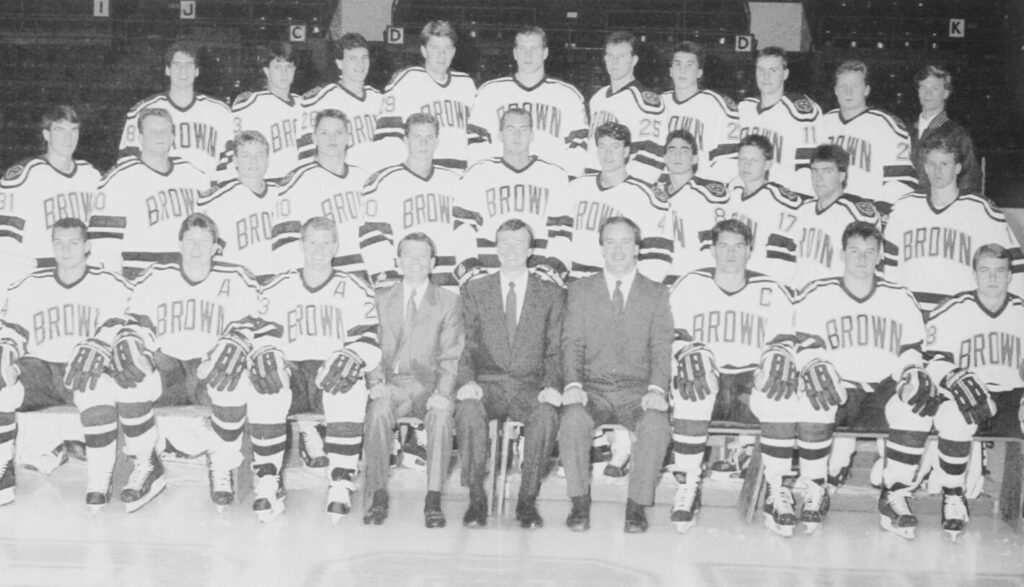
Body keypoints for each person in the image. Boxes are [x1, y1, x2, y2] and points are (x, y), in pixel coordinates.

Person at [108, 213, 270, 513]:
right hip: (166, 366)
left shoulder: (236, 278)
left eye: (204, 241)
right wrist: (134, 344)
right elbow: (133, 321)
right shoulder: (156, 276)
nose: (196, 248)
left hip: (208, 368)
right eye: (190, 240)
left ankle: (221, 463)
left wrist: (229, 347)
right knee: (129, 379)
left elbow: (250, 323)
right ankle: (146, 463)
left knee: (233, 379)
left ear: (215, 247)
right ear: (180, 243)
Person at [794, 221, 933, 539]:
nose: (862, 258)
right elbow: (804, 346)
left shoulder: (899, 296)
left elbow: (912, 351)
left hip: (882, 390)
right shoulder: (819, 293)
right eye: (854, 251)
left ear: (881, 255)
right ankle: (815, 488)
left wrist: (912, 372)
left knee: (916, 404)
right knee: (812, 397)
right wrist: (814, 363)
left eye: (870, 252)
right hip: (839, 386)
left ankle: (895, 493)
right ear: (841, 253)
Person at [667, 219, 797, 535]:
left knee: (781, 393)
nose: (731, 253)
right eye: (723, 245)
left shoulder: (771, 290)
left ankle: (777, 490)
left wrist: (775, 358)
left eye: (739, 246)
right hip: (708, 378)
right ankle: (688, 487)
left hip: (748, 384)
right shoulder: (690, 285)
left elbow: (785, 342)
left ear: (749, 250)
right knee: (692, 383)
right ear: (712, 249)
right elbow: (670, 335)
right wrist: (686, 351)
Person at [254, 217, 382, 522]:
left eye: (326, 242)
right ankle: (268, 479)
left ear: (336, 246)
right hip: (294, 371)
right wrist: (268, 353)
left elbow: (369, 342)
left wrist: (352, 355)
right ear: (301, 244)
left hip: (330, 371)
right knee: (266, 383)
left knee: (348, 383)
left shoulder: (354, 287)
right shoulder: (280, 285)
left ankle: (340, 480)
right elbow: (262, 335)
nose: (319, 249)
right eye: (313, 241)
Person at [0, 218, 131, 510]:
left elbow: (121, 324)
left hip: (85, 370)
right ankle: (2, 473)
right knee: (3, 386)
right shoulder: (29, 284)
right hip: (42, 370)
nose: (65, 249)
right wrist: (6, 353)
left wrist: (102, 344)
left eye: (73, 242)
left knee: (98, 391)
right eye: (58, 242)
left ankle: (99, 479)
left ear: (87, 246)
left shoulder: (110, 284)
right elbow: (13, 332)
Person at [558, 216, 673, 534]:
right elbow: (572, 343)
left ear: (637, 248)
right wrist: (572, 384)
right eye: (610, 242)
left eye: (625, 242)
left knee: (655, 424)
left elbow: (661, 347)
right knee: (572, 420)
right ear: (601, 248)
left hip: (636, 390)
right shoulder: (580, 290)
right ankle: (579, 501)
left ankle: (636, 506)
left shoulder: (656, 293)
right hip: (593, 388)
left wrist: (657, 389)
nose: (618, 249)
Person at [455, 219, 565, 528]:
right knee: (466, 410)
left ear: (531, 250)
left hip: (529, 386)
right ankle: (476, 499)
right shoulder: (476, 290)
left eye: (519, 243)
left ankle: (527, 501)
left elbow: (555, 347)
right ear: (495, 248)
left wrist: (552, 385)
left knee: (546, 413)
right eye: (505, 243)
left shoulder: (551, 293)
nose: (512, 249)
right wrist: (467, 382)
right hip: (488, 385)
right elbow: (466, 344)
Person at [361, 232, 464, 528]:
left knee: (442, 417)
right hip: (393, 384)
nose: (415, 261)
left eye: (422, 256)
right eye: (408, 255)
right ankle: (378, 496)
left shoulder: (448, 301)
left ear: (432, 263)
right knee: (378, 411)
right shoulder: (381, 299)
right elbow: (369, 344)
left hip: (430, 385)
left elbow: (451, 354)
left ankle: (433, 498)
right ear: (397, 261)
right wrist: (374, 380)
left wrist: (444, 392)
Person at [925, 243, 1021, 540]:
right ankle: (953, 495)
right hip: (967, 392)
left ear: (1009, 277)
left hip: (1012, 395)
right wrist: (954, 378)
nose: (992, 278)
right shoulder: (952, 310)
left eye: (999, 272)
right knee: (953, 417)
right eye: (985, 271)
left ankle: (1015, 502)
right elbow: (933, 360)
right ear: (974, 274)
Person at [883, 136, 1024, 313]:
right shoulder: (904, 207)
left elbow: (1015, 267)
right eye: (932, 164)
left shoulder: (981, 210)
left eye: (944, 164)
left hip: (960, 314)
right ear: (925, 167)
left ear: (957, 168)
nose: (937, 170)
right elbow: (889, 266)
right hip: (911, 313)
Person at [453, 107, 573, 286]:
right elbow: (463, 231)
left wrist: (547, 276)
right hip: (488, 275)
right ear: (500, 134)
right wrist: (475, 275)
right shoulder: (478, 173)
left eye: (523, 129)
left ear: (532, 135)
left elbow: (562, 235)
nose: (517, 136)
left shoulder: (554, 175)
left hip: (538, 277)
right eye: (510, 129)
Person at [89, 108, 210, 280]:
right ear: (140, 138)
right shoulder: (118, 180)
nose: (159, 136)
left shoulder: (195, 177)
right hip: (142, 275)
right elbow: (104, 248)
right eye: (153, 131)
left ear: (173, 137)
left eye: (165, 131)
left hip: (188, 273)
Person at [359, 113, 471, 292]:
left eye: (429, 137)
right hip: (405, 282)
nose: (423, 143)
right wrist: (388, 279)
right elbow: (373, 237)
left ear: (437, 141)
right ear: (405, 140)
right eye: (417, 137)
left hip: (450, 282)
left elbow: (464, 234)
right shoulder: (383, 182)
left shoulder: (455, 180)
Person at [0, 105, 103, 285]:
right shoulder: (25, 176)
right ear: (46, 134)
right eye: (59, 130)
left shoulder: (92, 175)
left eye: (73, 130)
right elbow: (6, 244)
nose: (68, 137)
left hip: (83, 276)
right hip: (40, 276)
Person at [467, 25, 589, 177]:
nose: (528, 55)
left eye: (534, 49)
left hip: (549, 184)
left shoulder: (567, 95)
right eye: (522, 49)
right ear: (515, 53)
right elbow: (476, 143)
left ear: (545, 52)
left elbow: (578, 149)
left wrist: (566, 183)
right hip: (501, 182)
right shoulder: (490, 91)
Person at [566, 122, 672, 284]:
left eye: (615, 147)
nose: (608, 153)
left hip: (616, 284)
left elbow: (658, 257)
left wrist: (634, 293)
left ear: (626, 151)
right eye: (602, 146)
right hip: (572, 283)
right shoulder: (575, 188)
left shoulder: (645, 196)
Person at [275, 109, 370, 281]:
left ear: (348, 138)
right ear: (314, 138)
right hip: (323, 275)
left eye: (338, 133)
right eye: (324, 133)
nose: (332, 139)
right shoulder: (298, 181)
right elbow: (285, 242)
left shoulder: (363, 178)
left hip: (365, 272)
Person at [118, 41, 232, 182]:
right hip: (162, 193)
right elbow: (127, 160)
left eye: (189, 65)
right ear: (167, 70)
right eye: (177, 65)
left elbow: (233, 161)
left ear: (197, 71)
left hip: (207, 194)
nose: (183, 70)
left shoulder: (220, 111)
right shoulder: (143, 110)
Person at [374, 20, 479, 172]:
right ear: (424, 51)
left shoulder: (466, 84)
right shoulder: (407, 80)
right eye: (435, 47)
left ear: (454, 51)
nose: (441, 55)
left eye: (447, 48)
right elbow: (388, 137)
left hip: (460, 174)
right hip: (421, 173)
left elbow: (476, 140)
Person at [824, 60, 916, 217]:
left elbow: (902, 180)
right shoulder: (823, 122)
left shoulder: (887, 125)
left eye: (855, 86)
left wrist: (879, 213)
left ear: (866, 90)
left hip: (866, 211)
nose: (848, 91)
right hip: (827, 209)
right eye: (843, 86)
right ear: (835, 90)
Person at [198, 130, 290, 283]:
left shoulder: (283, 194)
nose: (253, 162)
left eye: (259, 155)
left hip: (278, 282)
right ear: (235, 160)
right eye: (246, 156)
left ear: (267, 160)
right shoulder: (218, 200)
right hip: (238, 283)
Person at [738, 46, 824, 195]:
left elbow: (809, 168)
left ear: (785, 74)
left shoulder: (800, 111)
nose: (766, 77)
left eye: (773, 71)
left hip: (784, 197)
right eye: (761, 70)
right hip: (748, 195)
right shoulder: (744, 108)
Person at [793, 144, 881, 289]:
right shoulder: (803, 210)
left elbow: (871, 266)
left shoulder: (855, 212)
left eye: (826, 171)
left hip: (841, 299)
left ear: (841, 176)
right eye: (814, 171)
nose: (818, 178)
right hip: (804, 298)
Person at [585, 32, 665, 186]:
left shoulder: (645, 101)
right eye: (610, 55)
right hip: (594, 184)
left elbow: (652, 157)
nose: (614, 61)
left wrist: (628, 190)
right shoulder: (598, 97)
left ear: (634, 60)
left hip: (624, 188)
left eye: (621, 56)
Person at [725, 134, 804, 285]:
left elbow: (782, 265)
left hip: (760, 284)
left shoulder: (780, 202)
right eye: (742, 159)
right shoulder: (731, 195)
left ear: (768, 164)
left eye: (754, 160)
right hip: (731, 280)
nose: (746, 165)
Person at [224, 42, 309, 182]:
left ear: (295, 70)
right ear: (266, 71)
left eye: (289, 66)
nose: (284, 72)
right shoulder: (251, 105)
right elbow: (233, 154)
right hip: (266, 184)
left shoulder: (305, 105)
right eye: (277, 67)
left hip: (300, 186)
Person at [300, 33, 382, 171]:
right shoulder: (321, 101)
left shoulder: (380, 99)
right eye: (352, 58)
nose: (360, 64)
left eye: (364, 58)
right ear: (339, 63)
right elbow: (307, 155)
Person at [662, 41, 739, 184]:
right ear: (670, 70)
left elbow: (729, 162)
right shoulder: (660, 103)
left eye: (689, 65)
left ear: (699, 72)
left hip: (702, 188)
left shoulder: (717, 105)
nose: (682, 70)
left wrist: (704, 189)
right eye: (677, 64)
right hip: (664, 186)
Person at [660, 129, 730, 285]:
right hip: (662, 279)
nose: (677, 156)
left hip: (697, 278)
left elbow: (718, 247)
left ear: (695, 158)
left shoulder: (708, 194)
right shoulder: (655, 195)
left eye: (684, 151)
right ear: (665, 158)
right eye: (672, 151)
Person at [910, 64, 981, 195]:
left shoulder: (956, 134)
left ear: (946, 93)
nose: (928, 93)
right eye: (923, 87)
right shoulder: (904, 130)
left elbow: (969, 180)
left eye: (935, 88)